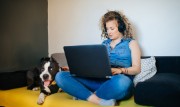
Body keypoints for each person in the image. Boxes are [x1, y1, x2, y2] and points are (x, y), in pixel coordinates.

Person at [55, 10, 141, 106]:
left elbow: (137, 69)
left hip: (117, 82)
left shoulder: (131, 43)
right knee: (60, 76)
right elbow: (94, 65)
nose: (109, 32)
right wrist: (76, 69)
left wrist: (120, 70)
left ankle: (83, 95)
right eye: (107, 29)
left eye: (111, 28)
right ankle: (98, 100)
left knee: (123, 82)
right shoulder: (104, 44)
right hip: (99, 81)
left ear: (120, 27)